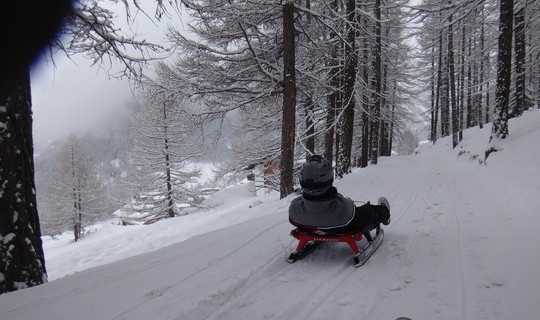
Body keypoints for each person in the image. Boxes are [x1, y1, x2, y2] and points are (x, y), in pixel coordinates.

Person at [288, 155, 390, 236]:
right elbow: (351, 213)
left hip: (308, 227)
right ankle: (384, 213)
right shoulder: (343, 210)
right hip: (340, 227)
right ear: (329, 178)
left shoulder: (294, 208)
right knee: (367, 212)